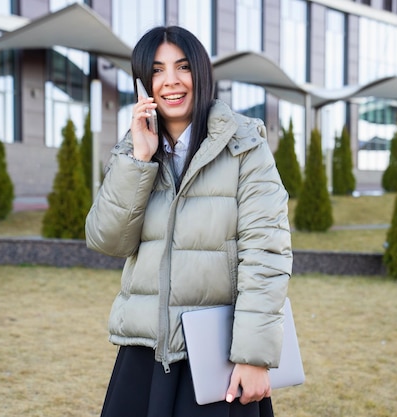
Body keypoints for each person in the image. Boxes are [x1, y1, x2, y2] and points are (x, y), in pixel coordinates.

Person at [85, 25, 293, 417]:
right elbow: (106, 241)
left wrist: (253, 356)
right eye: (158, 71)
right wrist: (139, 162)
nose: (171, 82)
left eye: (182, 67)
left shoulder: (245, 146)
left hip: (218, 356)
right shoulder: (133, 151)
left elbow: (267, 253)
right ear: (143, 83)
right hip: (144, 355)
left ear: (201, 73)